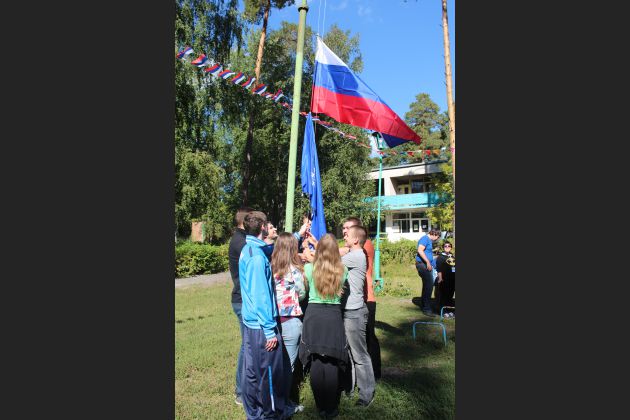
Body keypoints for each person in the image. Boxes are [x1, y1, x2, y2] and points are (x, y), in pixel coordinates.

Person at [239, 211, 292, 419]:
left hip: (252, 324)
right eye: (267, 224)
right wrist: (270, 331)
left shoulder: (250, 249)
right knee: (270, 374)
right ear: (262, 227)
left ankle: (255, 413)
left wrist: (295, 236)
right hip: (262, 327)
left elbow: (270, 247)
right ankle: (272, 414)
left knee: (253, 372)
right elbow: (261, 296)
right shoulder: (256, 259)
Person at [299, 234, 349, 419]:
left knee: (316, 361)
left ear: (318, 250)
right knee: (332, 361)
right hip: (333, 316)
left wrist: (309, 251)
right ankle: (331, 407)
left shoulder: (309, 268)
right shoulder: (343, 270)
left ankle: (321, 407)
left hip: (314, 315)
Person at [340, 217, 381, 381]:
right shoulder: (351, 247)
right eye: (343, 228)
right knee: (358, 343)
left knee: (367, 340)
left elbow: (338, 254)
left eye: (348, 228)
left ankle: (374, 375)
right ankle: (361, 378)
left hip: (366, 298)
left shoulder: (365, 245)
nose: (344, 232)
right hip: (357, 299)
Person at [270, 233, 307, 408]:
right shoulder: (295, 270)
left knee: (275, 364)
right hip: (291, 320)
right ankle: (284, 404)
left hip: (273, 322)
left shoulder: (270, 268)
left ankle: (273, 401)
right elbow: (302, 294)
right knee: (289, 366)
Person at [227, 206, 253, 406]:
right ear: (246, 222)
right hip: (242, 301)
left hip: (243, 299)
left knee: (249, 345)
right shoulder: (241, 242)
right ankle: (240, 392)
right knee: (247, 345)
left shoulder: (241, 239)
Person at [416, 229, 441, 317]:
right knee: (429, 286)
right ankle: (426, 309)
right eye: (437, 237)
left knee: (427, 286)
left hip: (425, 264)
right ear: (434, 234)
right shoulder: (425, 238)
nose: (437, 239)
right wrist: (427, 262)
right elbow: (420, 250)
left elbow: (426, 251)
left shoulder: (428, 240)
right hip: (423, 265)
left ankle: (424, 305)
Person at [435, 241, 456, 318]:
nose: (447, 247)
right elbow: (439, 269)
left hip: (453, 279)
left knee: (450, 295)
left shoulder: (452, 256)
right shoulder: (440, 257)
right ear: (443, 247)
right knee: (443, 295)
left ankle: (449, 310)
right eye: (445, 246)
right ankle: (443, 311)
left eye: (449, 246)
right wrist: (440, 278)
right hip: (444, 279)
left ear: (451, 247)